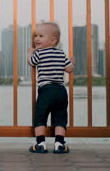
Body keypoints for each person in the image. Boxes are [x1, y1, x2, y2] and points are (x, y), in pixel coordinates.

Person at [27, 21, 74, 154]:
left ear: (53, 40)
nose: (36, 39)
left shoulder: (40, 53)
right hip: (60, 91)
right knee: (60, 117)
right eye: (36, 36)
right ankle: (59, 144)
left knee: (40, 116)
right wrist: (72, 62)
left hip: (46, 90)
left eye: (41, 36)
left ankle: (40, 144)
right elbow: (69, 69)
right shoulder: (61, 54)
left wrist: (30, 52)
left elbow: (31, 62)